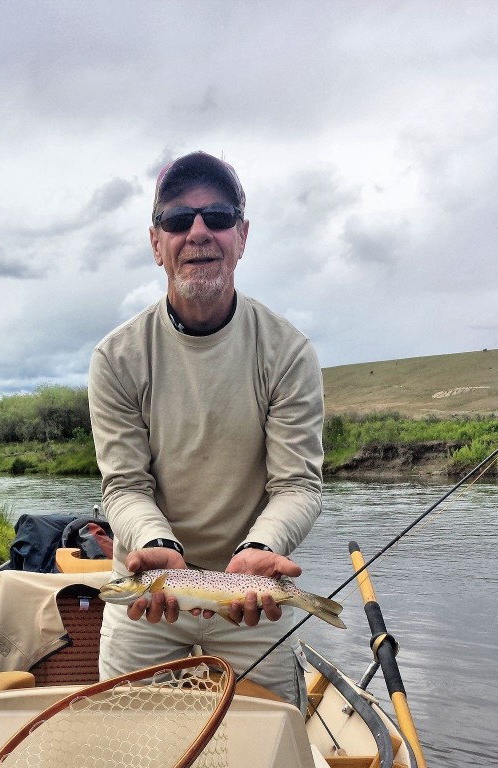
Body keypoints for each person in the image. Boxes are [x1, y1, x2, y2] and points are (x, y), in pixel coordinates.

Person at [87, 151, 324, 708]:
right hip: (149, 598)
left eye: (217, 216)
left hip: (251, 600)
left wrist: (261, 550)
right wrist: (153, 543)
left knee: (267, 757)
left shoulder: (288, 353)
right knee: (122, 741)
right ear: (155, 242)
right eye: (176, 220)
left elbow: (298, 486)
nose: (198, 232)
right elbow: (125, 487)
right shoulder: (117, 358)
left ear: (241, 236)